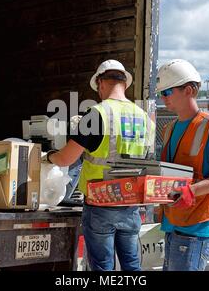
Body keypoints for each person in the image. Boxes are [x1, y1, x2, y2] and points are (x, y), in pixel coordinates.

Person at [45, 59, 155, 271]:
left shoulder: (97, 114)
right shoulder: (144, 119)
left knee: (103, 268)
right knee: (132, 266)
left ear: (101, 83)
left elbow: (66, 159)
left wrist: (48, 157)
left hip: (101, 203)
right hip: (131, 204)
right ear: (125, 84)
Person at [155, 59, 209, 271]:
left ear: (189, 90)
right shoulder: (170, 129)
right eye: (161, 93)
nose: (163, 98)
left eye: (167, 92)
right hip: (174, 222)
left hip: (196, 227)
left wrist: (192, 190)